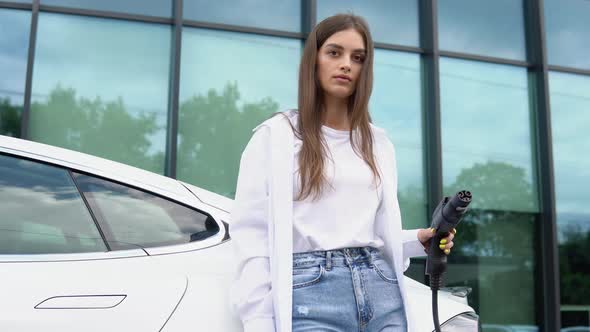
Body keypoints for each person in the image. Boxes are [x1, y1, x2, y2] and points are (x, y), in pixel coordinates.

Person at [230, 13, 456, 332]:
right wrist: (258, 320)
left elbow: (375, 237)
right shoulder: (276, 137)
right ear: (314, 61)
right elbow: (251, 236)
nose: (346, 64)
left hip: (381, 290)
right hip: (310, 293)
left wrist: (418, 240)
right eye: (334, 52)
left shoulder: (377, 144)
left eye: (358, 57)